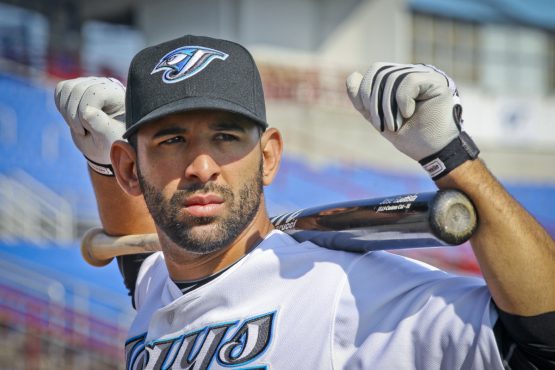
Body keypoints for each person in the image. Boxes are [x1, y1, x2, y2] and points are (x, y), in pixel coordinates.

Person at [54, 35, 555, 369]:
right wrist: (101, 165)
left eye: (226, 137)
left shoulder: (343, 290)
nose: (202, 167)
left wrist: (452, 156)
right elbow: (137, 261)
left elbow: (542, 344)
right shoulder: (160, 285)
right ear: (128, 168)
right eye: (170, 141)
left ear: (268, 156)